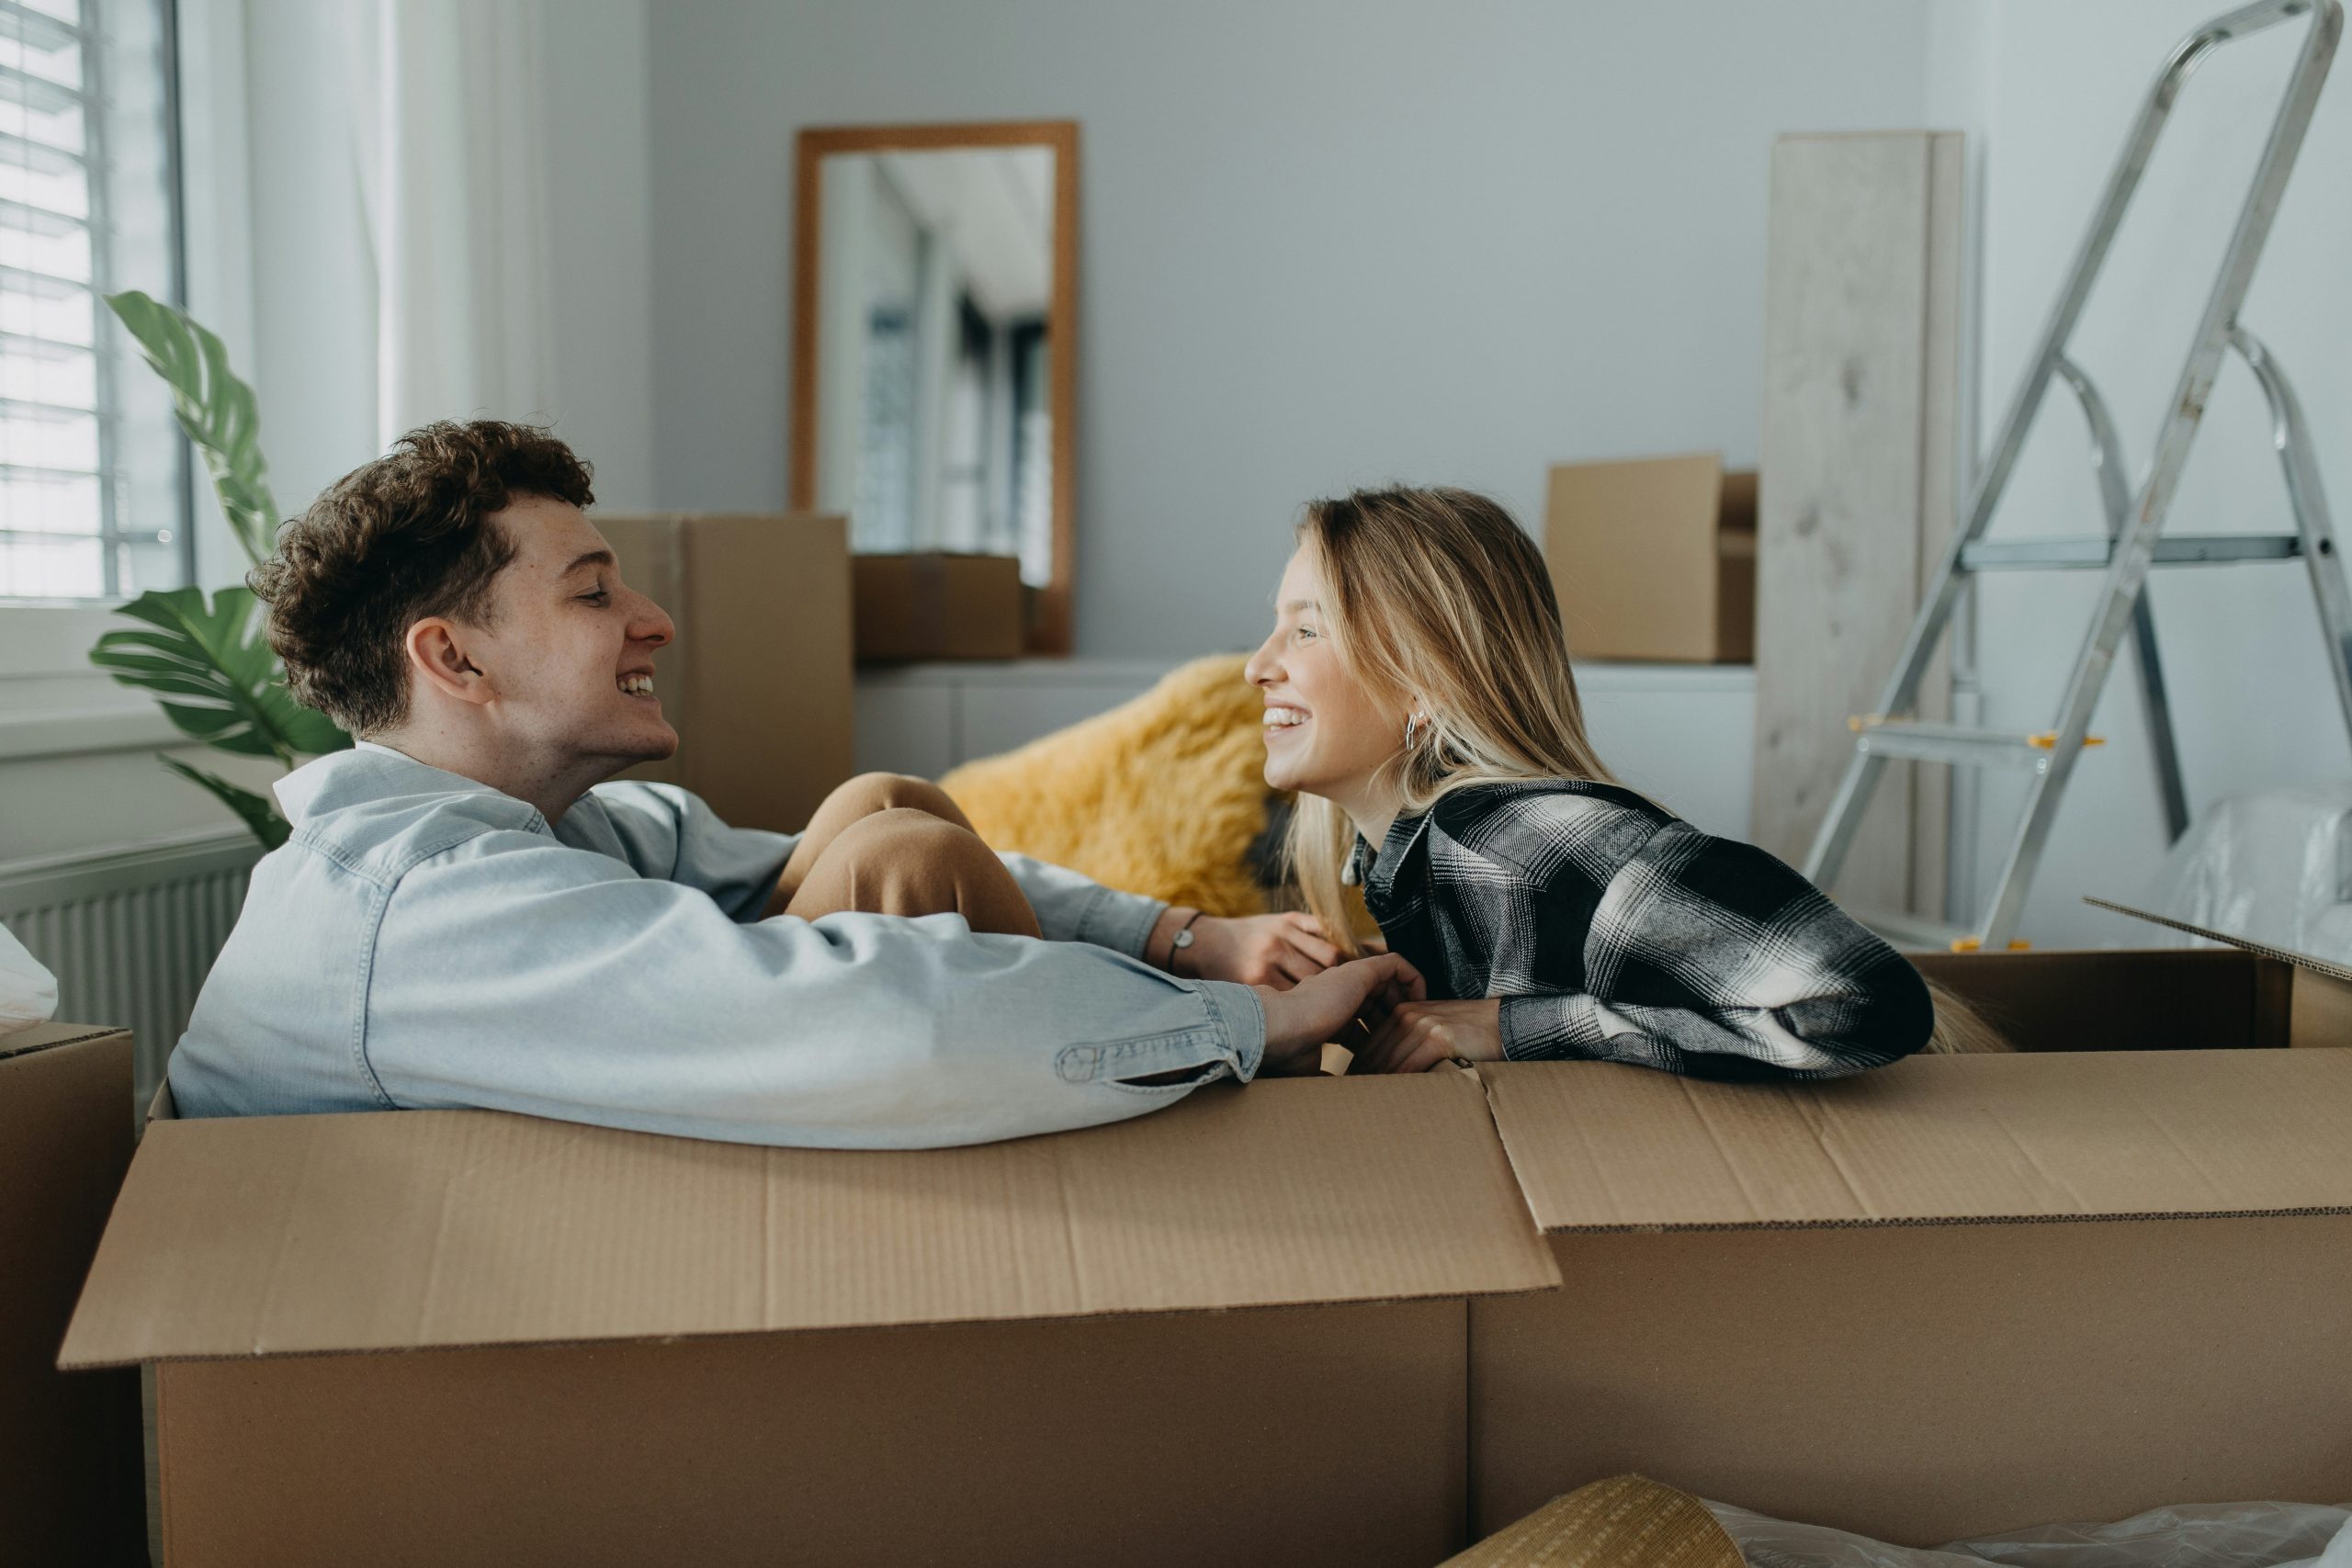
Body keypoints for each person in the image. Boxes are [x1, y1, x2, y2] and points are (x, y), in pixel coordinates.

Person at [167, 421, 1419, 1147]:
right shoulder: (424, 911)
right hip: (393, 1342)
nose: (654, 619)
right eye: (594, 593)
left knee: (884, 814)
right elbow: (894, 1025)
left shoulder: (574, 826)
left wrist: (1188, 937)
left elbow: (785, 864)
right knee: (908, 871)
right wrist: (1241, 1024)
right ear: (454, 660)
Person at [1241, 484, 1938, 1077]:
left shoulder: (1514, 841)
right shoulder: (1414, 860)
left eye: (1307, 631)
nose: (1256, 667)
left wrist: (1511, 1026)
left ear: (1425, 681)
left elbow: (1867, 1001)